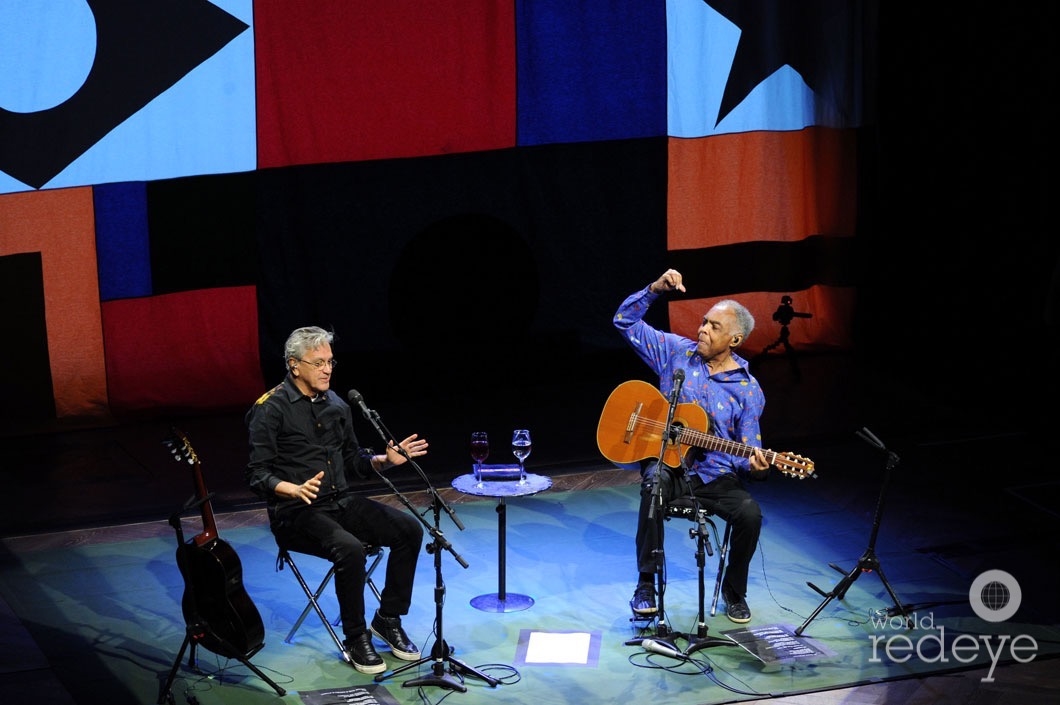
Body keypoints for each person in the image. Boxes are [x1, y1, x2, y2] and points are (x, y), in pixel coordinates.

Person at [245, 326, 428, 675]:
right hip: (294, 513)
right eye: (318, 363)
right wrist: (291, 488)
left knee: (408, 529)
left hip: (339, 502)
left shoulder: (338, 406)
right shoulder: (269, 410)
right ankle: (356, 637)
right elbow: (256, 475)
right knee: (350, 548)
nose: (327, 369)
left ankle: (387, 619)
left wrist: (383, 461)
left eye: (330, 362)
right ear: (294, 365)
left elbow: (352, 461)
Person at [613, 269, 771, 624]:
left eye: (714, 327)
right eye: (703, 322)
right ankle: (646, 584)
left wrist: (758, 467)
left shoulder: (747, 390)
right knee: (652, 485)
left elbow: (749, 450)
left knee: (750, 514)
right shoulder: (676, 354)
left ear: (735, 339)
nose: (702, 329)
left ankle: (734, 590)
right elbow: (623, 321)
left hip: (716, 475)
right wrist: (654, 289)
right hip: (669, 465)